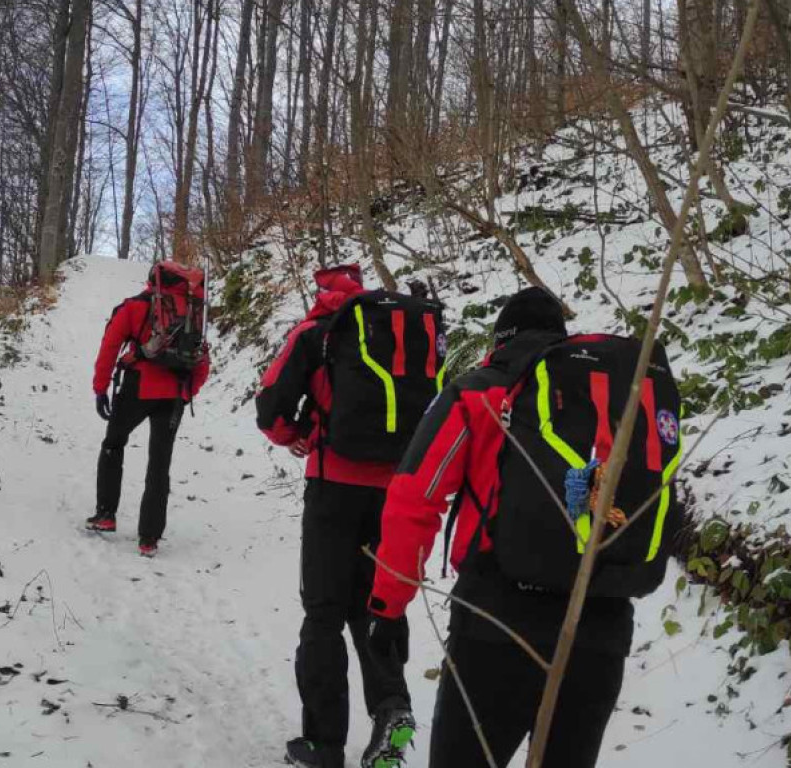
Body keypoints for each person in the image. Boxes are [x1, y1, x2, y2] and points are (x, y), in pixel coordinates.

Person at [367, 286, 652, 768]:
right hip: (600, 624)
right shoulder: (615, 398)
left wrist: (388, 607)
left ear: (500, 340)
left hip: (496, 622)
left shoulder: (479, 392)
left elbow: (416, 498)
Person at [256, 263, 414, 768]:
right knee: (377, 605)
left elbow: (270, 406)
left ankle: (324, 745)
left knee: (323, 613)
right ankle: (392, 705)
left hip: (333, 486)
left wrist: (295, 434)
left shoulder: (317, 331)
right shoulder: (394, 332)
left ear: (323, 292)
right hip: (391, 492)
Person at [89, 261, 210, 557]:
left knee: (114, 443)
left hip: (138, 388)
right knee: (160, 463)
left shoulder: (135, 306)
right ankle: (149, 539)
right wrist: (187, 392)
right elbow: (202, 357)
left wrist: (100, 388)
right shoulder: (193, 309)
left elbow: (109, 347)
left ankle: (106, 514)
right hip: (174, 394)